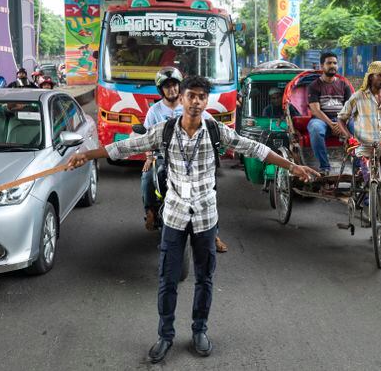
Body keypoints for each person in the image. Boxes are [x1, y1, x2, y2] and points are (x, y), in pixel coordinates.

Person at [66, 75, 319, 364]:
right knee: (167, 279)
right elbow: (127, 147)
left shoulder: (215, 130)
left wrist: (291, 166)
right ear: (182, 98)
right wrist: (88, 155)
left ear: (205, 100)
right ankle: (165, 335)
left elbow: (254, 148)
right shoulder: (164, 130)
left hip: (205, 216)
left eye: (202, 97)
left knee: (205, 278)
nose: (196, 101)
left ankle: (200, 330)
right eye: (191, 96)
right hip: (173, 214)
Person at [140, 68, 228, 252]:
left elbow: (213, 126)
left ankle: (214, 233)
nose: (171, 89)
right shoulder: (154, 111)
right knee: (148, 177)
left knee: (210, 191)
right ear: (161, 90)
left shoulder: (189, 106)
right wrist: (149, 156)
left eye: (174, 86)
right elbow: (146, 136)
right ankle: (150, 211)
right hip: (163, 157)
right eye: (167, 86)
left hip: (193, 159)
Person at [337, 61, 381, 241]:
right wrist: (349, 136)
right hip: (364, 149)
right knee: (372, 183)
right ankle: (371, 209)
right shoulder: (358, 97)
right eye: (380, 75)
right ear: (371, 76)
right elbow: (341, 119)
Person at [306, 52, 353, 173]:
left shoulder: (344, 85)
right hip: (321, 120)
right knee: (315, 128)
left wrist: (340, 123)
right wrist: (331, 124)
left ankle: (358, 166)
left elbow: (350, 108)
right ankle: (324, 167)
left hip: (342, 119)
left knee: (358, 127)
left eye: (335, 63)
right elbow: (315, 110)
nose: (332, 65)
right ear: (322, 66)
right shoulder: (314, 86)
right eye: (329, 63)